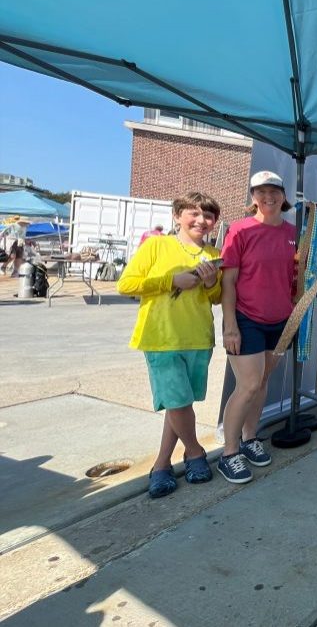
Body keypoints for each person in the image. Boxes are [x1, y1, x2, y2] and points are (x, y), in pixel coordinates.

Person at [116, 192, 222, 499]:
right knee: (177, 402)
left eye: (209, 216)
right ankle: (194, 451)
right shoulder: (156, 245)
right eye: (194, 213)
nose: (202, 220)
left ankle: (162, 464)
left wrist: (210, 282)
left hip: (199, 338)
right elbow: (126, 284)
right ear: (177, 215)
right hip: (160, 337)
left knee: (180, 404)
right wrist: (171, 281)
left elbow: (215, 298)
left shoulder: (214, 254)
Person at [217, 170, 296, 484]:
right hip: (247, 319)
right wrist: (230, 326)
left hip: (280, 321)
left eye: (274, 191)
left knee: (262, 383)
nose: (268, 197)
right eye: (261, 192)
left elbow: (294, 277)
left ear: (283, 196)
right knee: (247, 385)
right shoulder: (240, 230)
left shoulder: (293, 232)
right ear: (253, 198)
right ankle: (229, 453)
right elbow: (229, 282)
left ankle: (250, 438)